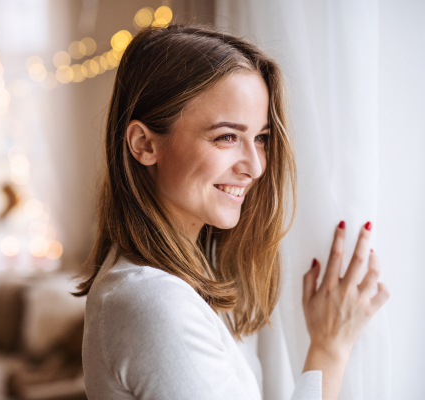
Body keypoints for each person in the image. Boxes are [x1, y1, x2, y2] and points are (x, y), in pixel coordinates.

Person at [74, 24, 389, 400]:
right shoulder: (154, 304)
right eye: (226, 137)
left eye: (261, 138)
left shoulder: (178, 276)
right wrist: (329, 348)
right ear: (144, 144)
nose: (255, 167)